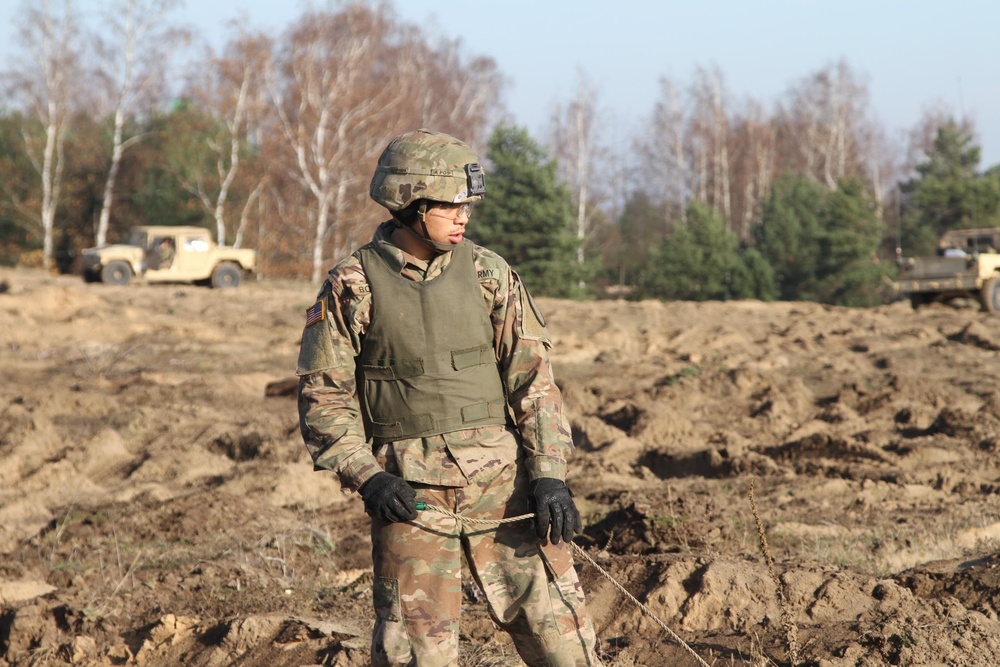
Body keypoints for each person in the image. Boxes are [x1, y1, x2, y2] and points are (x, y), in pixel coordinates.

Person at [296, 128, 602, 667]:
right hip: (411, 501)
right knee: (416, 657)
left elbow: (533, 380)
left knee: (569, 650)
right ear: (411, 202)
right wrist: (368, 477)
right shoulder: (352, 284)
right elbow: (324, 396)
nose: (464, 217)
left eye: (468, 206)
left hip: (507, 495)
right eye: (452, 205)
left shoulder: (490, 273)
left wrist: (550, 474)